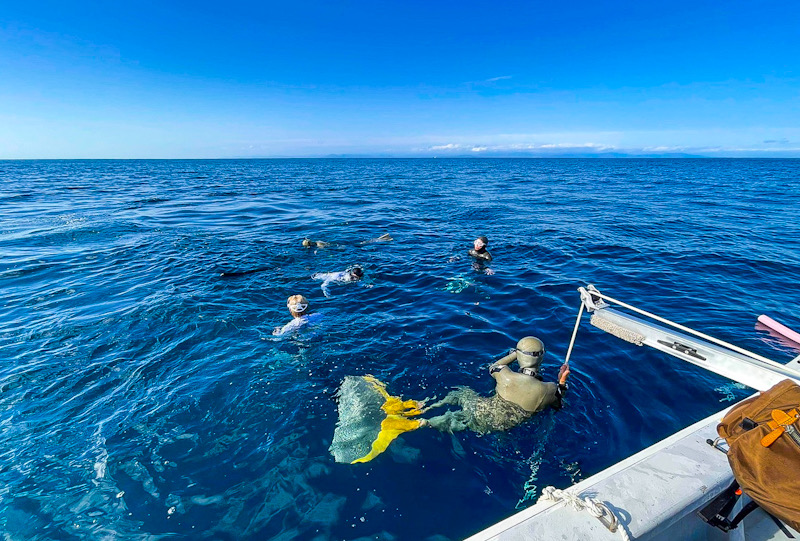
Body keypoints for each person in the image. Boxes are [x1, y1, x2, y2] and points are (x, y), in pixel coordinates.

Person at [422, 337, 570, 433]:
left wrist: (514, 354)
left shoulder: (505, 375)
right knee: (460, 420)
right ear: (542, 357)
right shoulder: (549, 388)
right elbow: (558, 403)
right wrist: (562, 381)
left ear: (519, 356)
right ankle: (426, 422)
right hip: (505, 426)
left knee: (462, 392)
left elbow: (493, 367)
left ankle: (426, 411)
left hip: (482, 412)